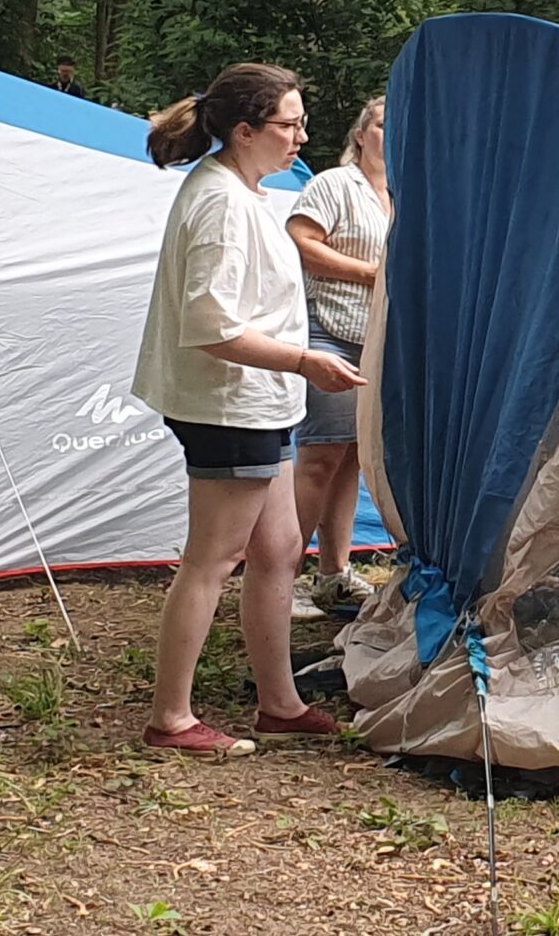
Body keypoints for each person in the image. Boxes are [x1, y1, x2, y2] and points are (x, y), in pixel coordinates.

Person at [131, 63, 364, 756]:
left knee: (280, 549)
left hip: (258, 402)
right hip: (227, 403)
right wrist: (304, 360)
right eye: (289, 123)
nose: (302, 135)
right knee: (215, 555)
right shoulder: (222, 206)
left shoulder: (244, 191)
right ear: (244, 131)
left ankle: (279, 704)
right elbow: (211, 324)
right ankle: (170, 716)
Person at [287, 96, 391, 613]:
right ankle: (279, 575)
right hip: (330, 329)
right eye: (381, 124)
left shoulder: (407, 191)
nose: (389, 133)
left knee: (352, 455)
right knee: (320, 454)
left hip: (381, 340)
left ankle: (333, 573)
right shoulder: (334, 184)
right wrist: (371, 274)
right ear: (360, 133)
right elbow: (301, 241)